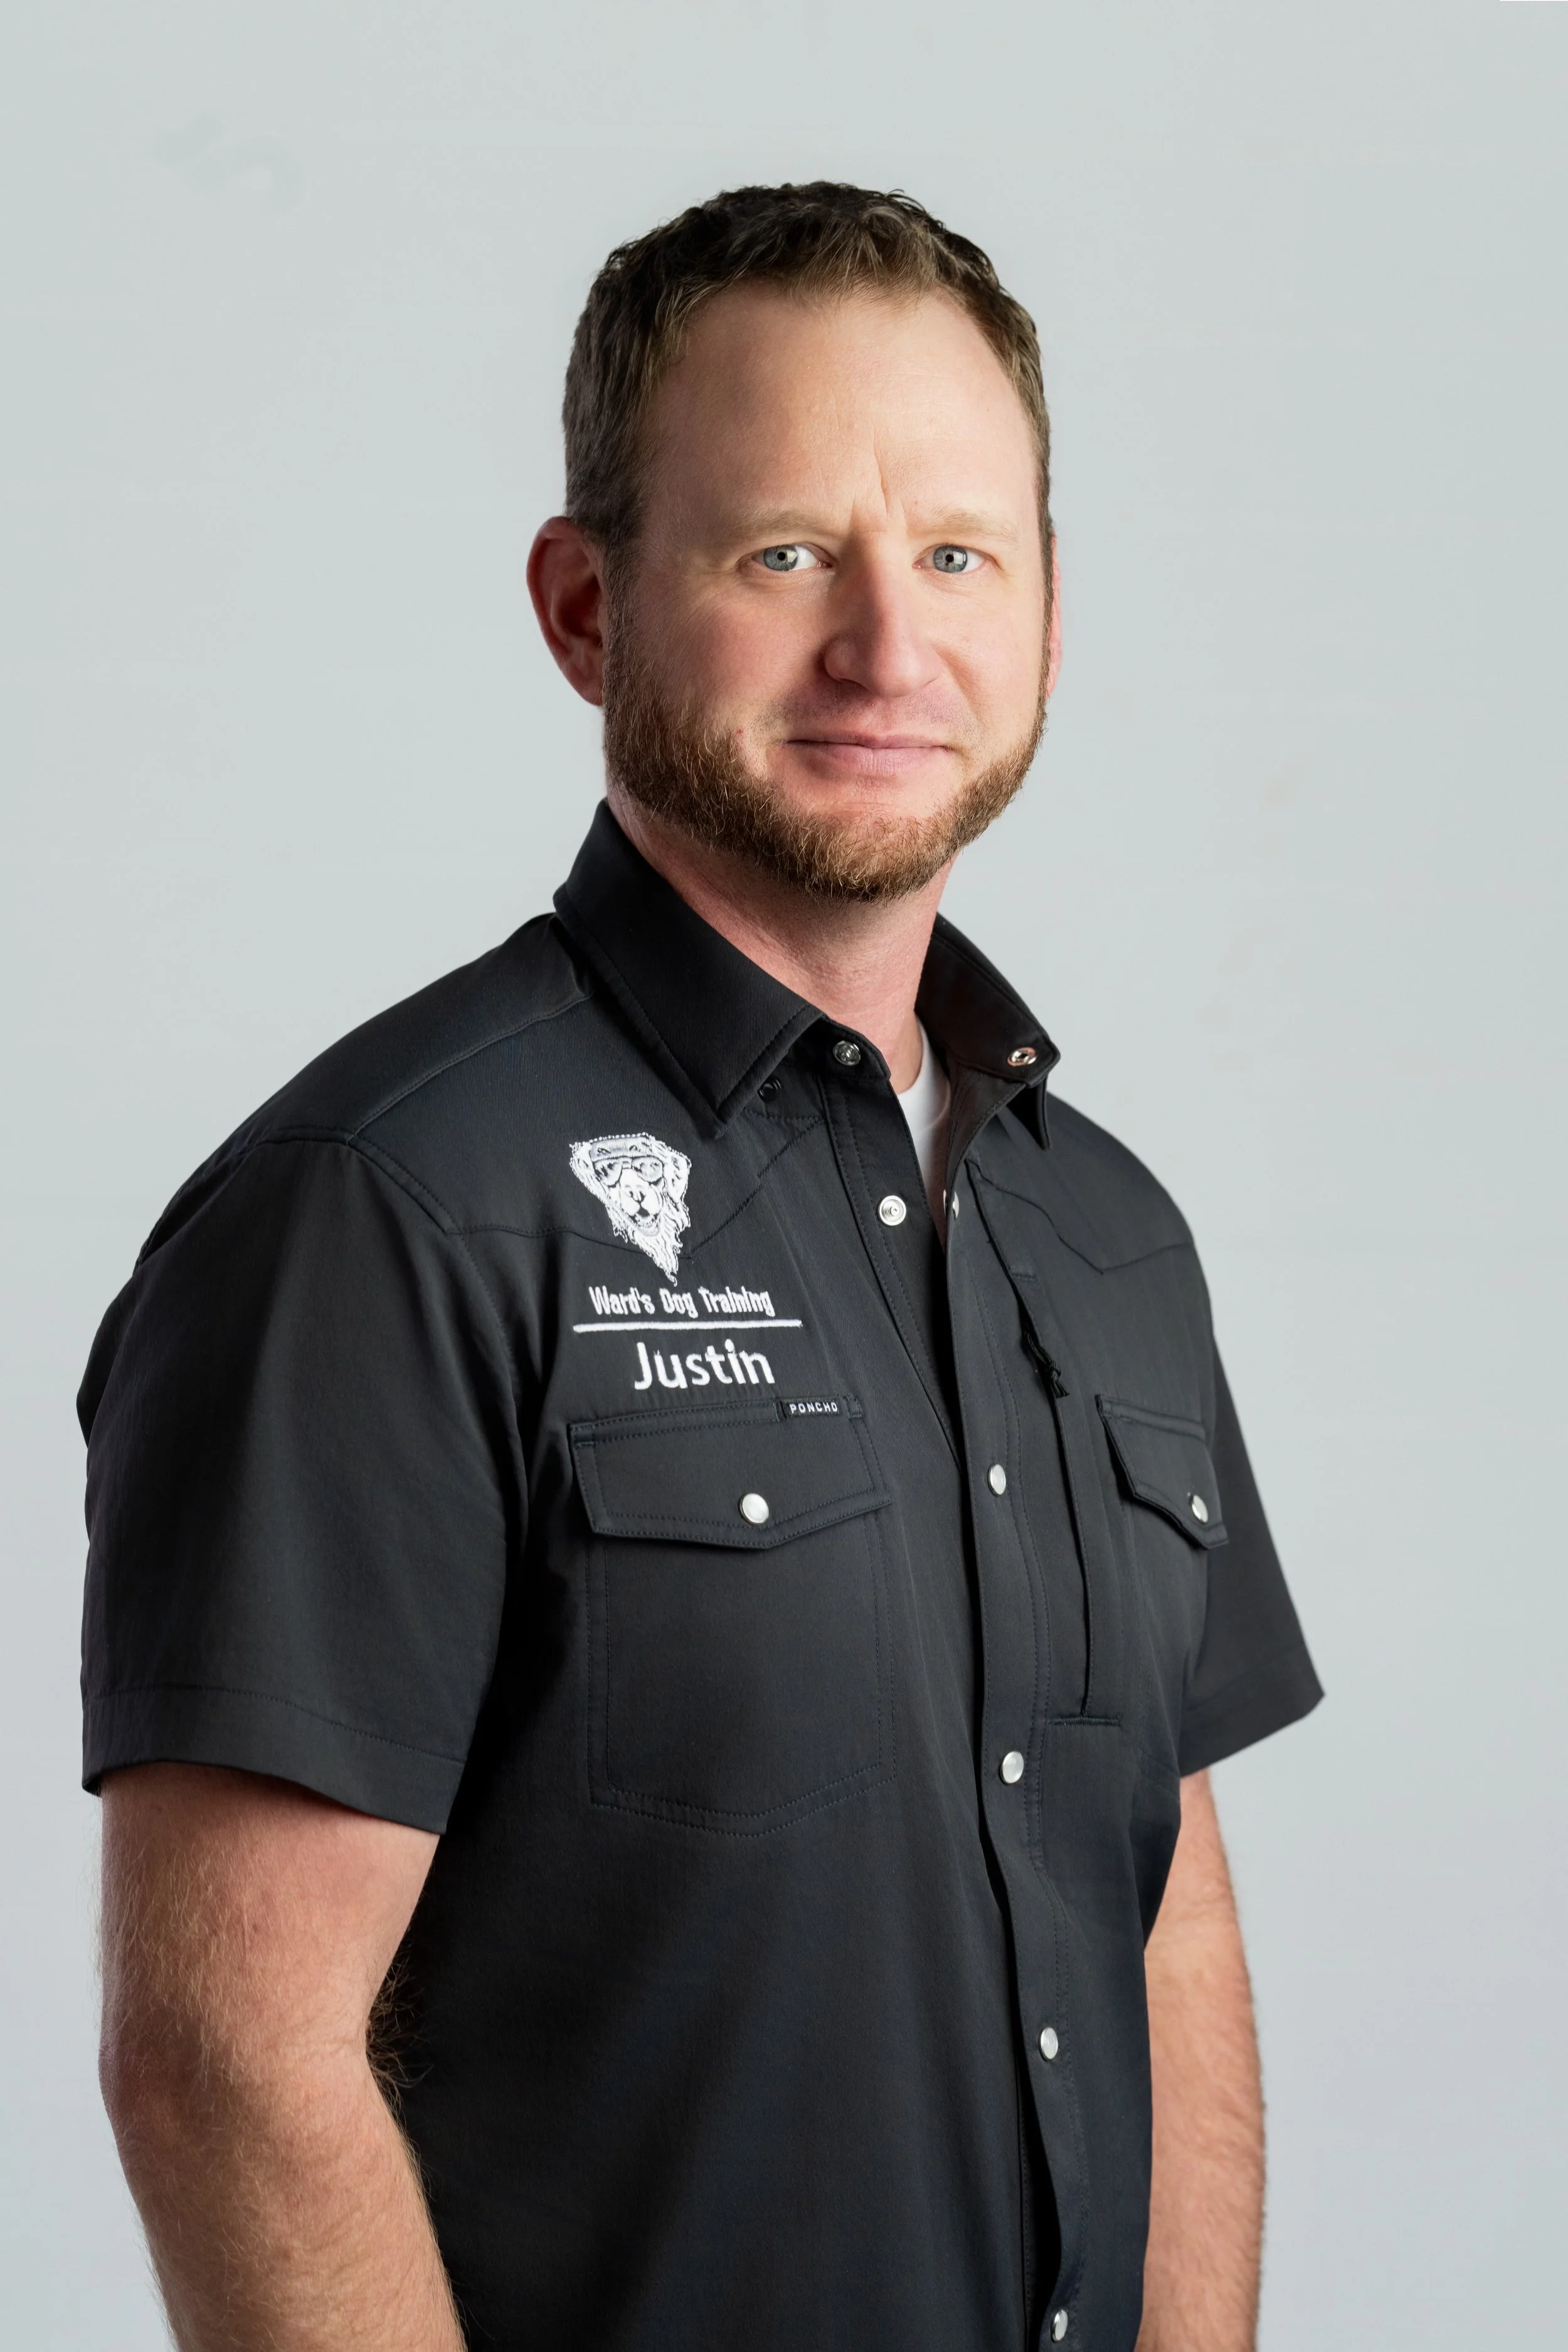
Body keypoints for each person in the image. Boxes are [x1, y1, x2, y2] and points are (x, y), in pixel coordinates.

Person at [81, 183, 1322, 2352]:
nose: (887, 646)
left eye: (960, 556)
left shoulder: (1107, 1232)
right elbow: (226, 2061)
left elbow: (1163, 1921)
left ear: (1049, 617)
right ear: (585, 609)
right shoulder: (385, 1211)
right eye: (784, 555)